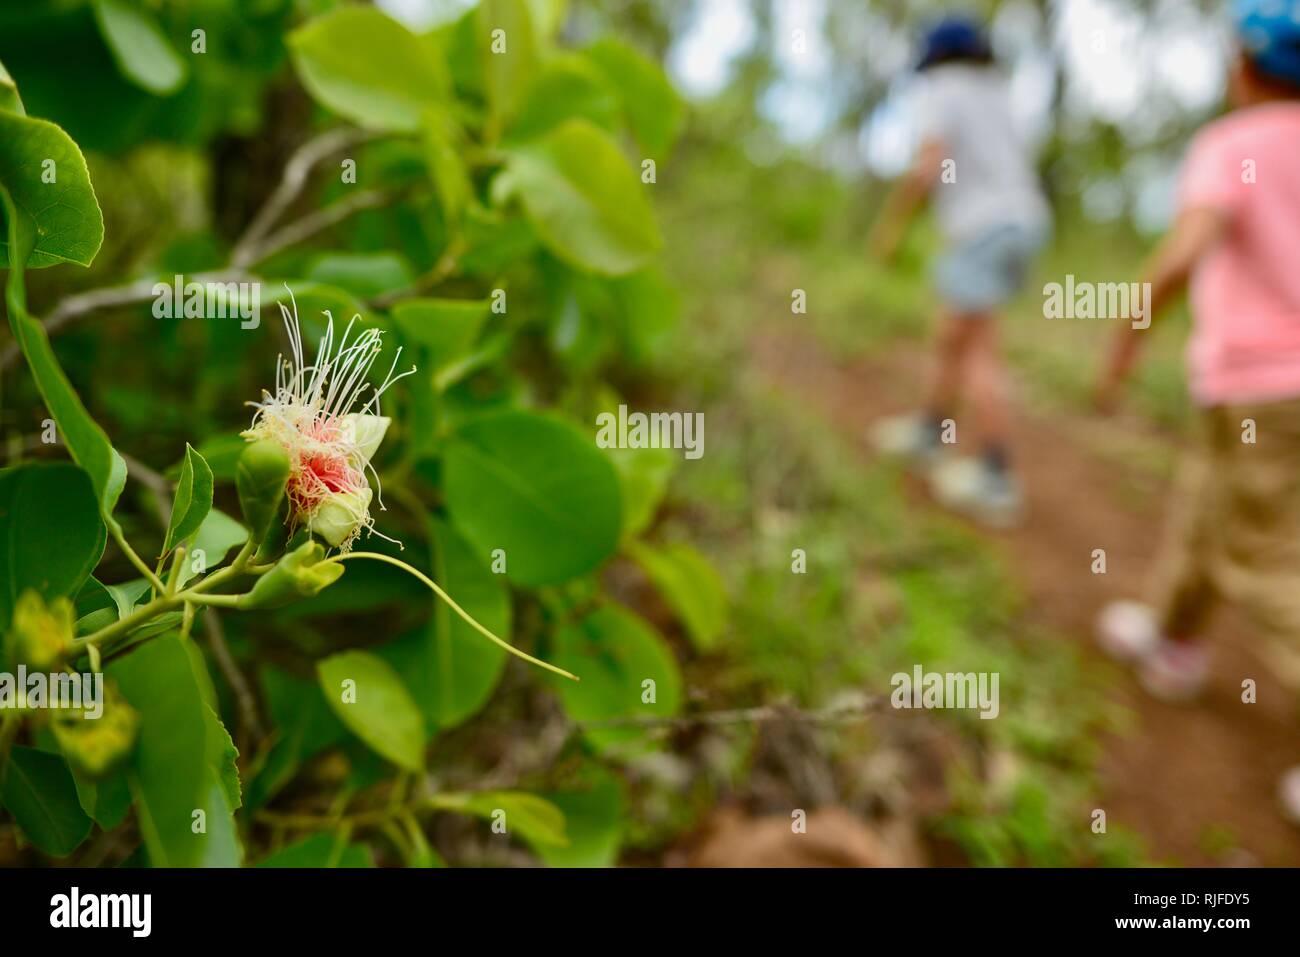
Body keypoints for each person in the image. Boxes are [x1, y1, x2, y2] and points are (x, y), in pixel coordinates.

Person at [1093, 0, 1300, 824]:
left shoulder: (1235, 145)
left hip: (1260, 383)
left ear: (1243, 68)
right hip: (1264, 392)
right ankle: (1173, 642)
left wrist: (1125, 335)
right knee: (1206, 507)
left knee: (1269, 557)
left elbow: (1187, 246)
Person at [868, 15, 1050, 528]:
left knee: (975, 349)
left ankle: (996, 476)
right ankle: (930, 434)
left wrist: (891, 226)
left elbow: (929, 165)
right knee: (954, 336)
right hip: (1024, 223)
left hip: (983, 229)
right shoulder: (998, 92)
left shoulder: (943, 89)